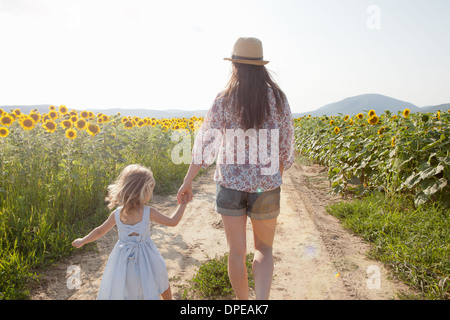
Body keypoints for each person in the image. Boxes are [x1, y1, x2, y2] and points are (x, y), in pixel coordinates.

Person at [177, 37, 294, 300]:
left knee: (236, 253)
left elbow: (205, 143)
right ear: (261, 66)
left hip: (229, 185)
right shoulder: (278, 99)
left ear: (235, 66)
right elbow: (285, 147)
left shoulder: (224, 98)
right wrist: (275, 177)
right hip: (267, 185)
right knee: (264, 248)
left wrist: (188, 181)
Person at [72, 164, 188, 300]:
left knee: (125, 284)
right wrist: (183, 205)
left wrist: (83, 241)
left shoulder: (117, 214)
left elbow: (99, 231)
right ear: (143, 191)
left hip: (123, 258)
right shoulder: (148, 211)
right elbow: (172, 221)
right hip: (147, 255)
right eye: (150, 189)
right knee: (159, 275)